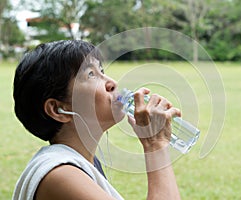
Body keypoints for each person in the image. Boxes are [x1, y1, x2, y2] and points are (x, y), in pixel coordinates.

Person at [12, 40, 182, 200]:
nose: (112, 83)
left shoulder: (85, 164)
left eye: (102, 71)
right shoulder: (60, 174)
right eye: (91, 74)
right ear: (58, 110)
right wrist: (155, 145)